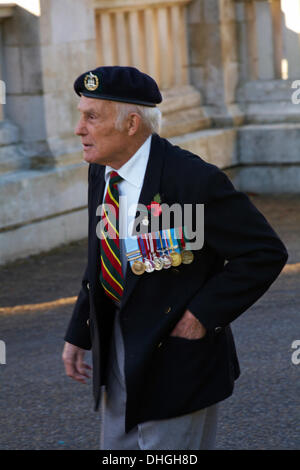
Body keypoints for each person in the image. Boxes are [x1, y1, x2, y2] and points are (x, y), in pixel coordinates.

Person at [62, 66, 288, 450]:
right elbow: (102, 255)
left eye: (91, 117)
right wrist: (80, 331)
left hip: (176, 361)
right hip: (117, 349)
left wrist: (202, 315)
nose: (78, 128)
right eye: (80, 115)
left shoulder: (192, 180)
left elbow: (263, 253)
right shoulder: (101, 172)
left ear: (132, 123)